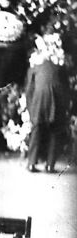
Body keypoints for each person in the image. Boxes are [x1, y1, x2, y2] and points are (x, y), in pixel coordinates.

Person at [25, 33, 70, 173]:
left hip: (39, 98)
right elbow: (65, 89)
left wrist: (31, 109)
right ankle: (50, 165)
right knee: (55, 130)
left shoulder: (34, 67)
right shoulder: (60, 67)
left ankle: (31, 163)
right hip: (56, 98)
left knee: (37, 129)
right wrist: (65, 108)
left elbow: (29, 90)